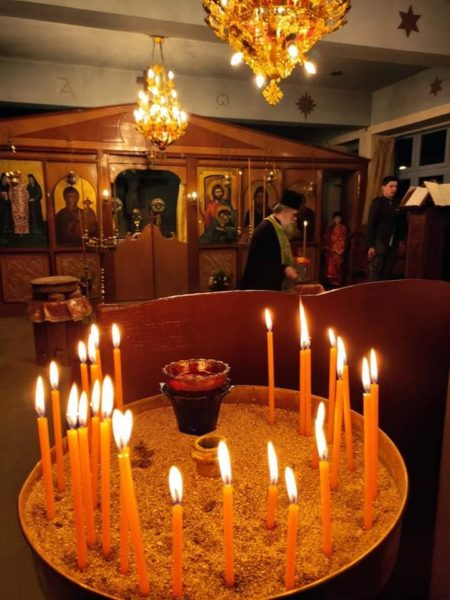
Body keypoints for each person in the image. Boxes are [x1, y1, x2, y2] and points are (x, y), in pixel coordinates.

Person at [240, 190, 302, 290]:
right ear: (285, 210)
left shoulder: (279, 227)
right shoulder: (266, 229)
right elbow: (261, 263)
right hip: (261, 288)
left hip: (272, 285)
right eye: (294, 214)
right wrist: (284, 269)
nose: (295, 219)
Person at [366, 175, 406, 281]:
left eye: (396, 186)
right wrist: (371, 245)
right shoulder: (377, 203)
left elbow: (402, 223)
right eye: (391, 186)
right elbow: (371, 225)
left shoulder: (399, 203)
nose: (394, 189)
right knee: (376, 270)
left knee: (388, 270)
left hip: (394, 242)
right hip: (380, 241)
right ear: (383, 187)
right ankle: (372, 290)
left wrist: (402, 240)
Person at [323, 210, 349, 287]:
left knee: (338, 264)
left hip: (338, 249)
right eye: (336, 218)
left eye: (339, 218)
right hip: (331, 249)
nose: (337, 220)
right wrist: (329, 244)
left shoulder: (343, 228)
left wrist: (337, 247)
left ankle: (338, 282)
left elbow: (343, 239)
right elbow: (327, 237)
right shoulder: (331, 228)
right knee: (330, 265)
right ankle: (331, 282)